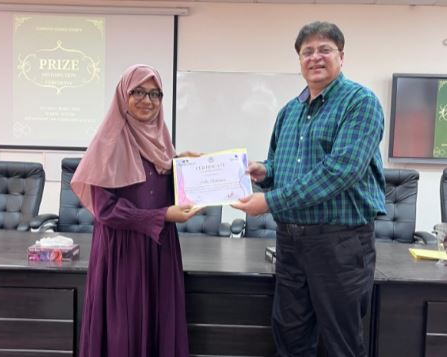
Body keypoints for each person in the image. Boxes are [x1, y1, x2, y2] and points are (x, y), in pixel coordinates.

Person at [233, 21, 386, 357]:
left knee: (339, 341)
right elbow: (280, 166)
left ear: (341, 57)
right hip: (290, 242)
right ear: (299, 60)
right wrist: (265, 173)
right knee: (290, 334)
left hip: (339, 243)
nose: (315, 57)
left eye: (325, 49)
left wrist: (269, 201)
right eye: (307, 51)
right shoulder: (290, 111)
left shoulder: (360, 103)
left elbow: (340, 172)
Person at [72, 64, 201, 357]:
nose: (148, 101)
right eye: (138, 92)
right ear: (123, 96)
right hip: (123, 253)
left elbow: (163, 186)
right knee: (124, 330)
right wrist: (162, 216)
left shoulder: (163, 140)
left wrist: (187, 166)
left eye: (155, 94)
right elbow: (106, 211)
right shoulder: (107, 144)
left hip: (160, 249)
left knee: (158, 322)